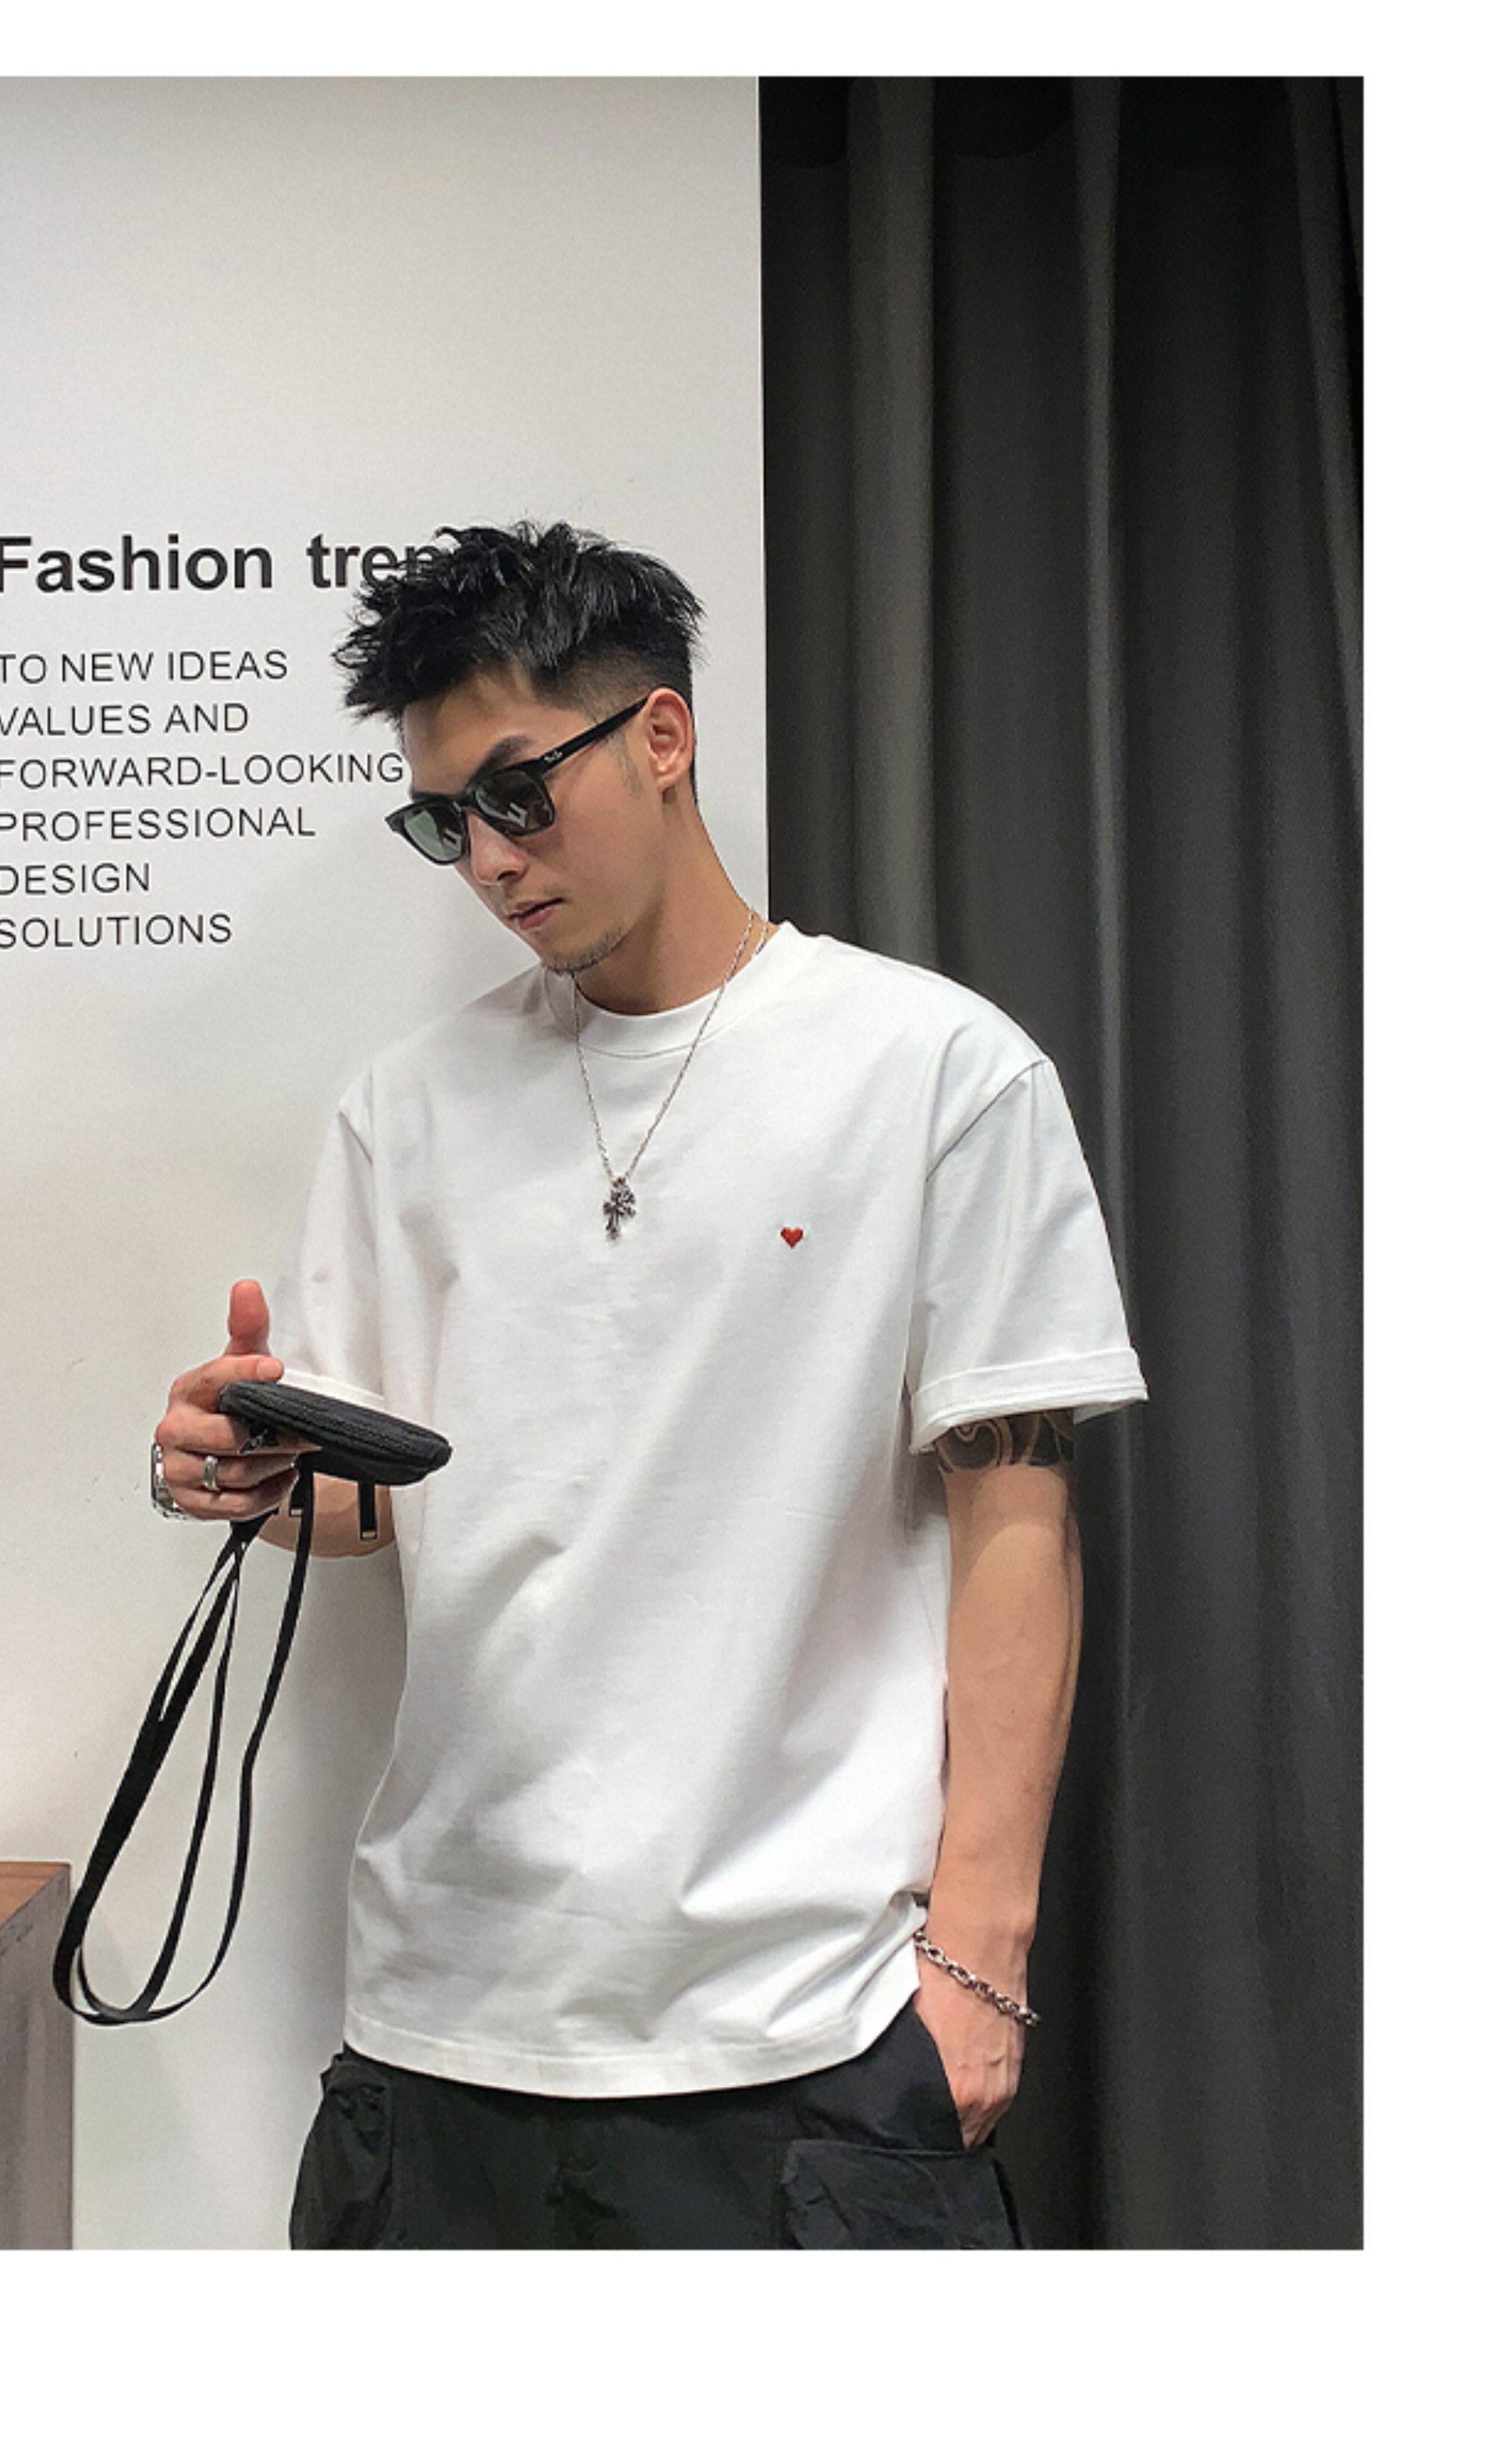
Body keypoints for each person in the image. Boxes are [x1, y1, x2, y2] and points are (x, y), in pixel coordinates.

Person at [149, 519, 1148, 2248]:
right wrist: (247, 1473)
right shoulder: (406, 1106)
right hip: (443, 2017)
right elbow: (372, 1504)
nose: (488, 857)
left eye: (517, 791)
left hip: (810, 2025)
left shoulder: (934, 1071)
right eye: (443, 820)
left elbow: (1015, 1517)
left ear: (662, 737)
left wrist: (980, 1958)